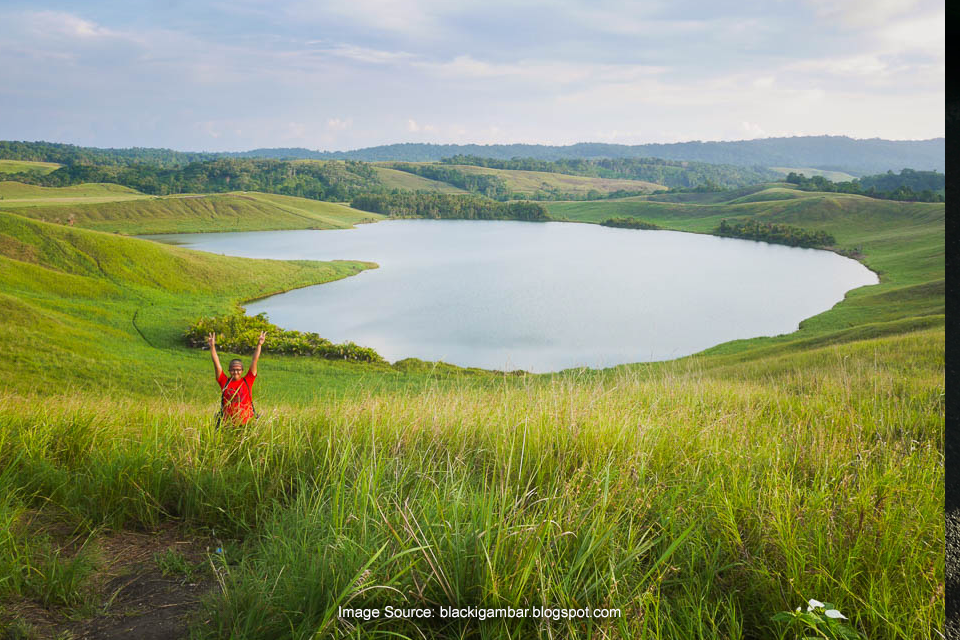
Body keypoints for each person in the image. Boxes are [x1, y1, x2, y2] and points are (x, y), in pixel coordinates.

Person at [207, 331, 266, 426]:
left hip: (247, 424)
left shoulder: (248, 380)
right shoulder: (224, 381)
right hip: (227, 424)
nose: (235, 372)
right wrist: (212, 347)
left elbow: (254, 360)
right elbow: (216, 363)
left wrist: (259, 344)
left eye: (238, 370)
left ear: (242, 370)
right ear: (229, 370)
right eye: (233, 370)